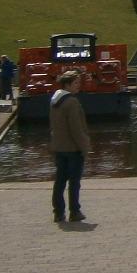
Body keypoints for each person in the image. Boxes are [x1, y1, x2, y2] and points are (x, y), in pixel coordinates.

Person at [48, 70, 91, 223]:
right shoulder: (72, 102)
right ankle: (75, 211)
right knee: (74, 181)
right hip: (73, 148)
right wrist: (84, 146)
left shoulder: (54, 101)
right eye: (76, 83)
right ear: (67, 85)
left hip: (59, 147)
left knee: (60, 180)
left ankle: (58, 212)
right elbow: (76, 128)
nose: (78, 86)